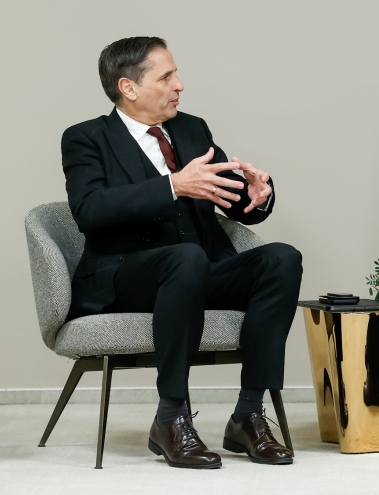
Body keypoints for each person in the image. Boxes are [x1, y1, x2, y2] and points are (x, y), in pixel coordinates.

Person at [61, 37, 302, 469]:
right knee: (186, 257)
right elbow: (89, 210)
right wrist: (172, 186)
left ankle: (248, 416)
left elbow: (232, 200)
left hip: (199, 272)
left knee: (282, 258)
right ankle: (170, 418)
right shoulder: (86, 138)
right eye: (167, 77)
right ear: (129, 87)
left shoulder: (192, 129)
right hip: (126, 277)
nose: (180, 85)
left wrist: (256, 195)